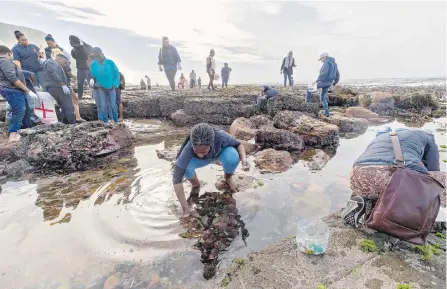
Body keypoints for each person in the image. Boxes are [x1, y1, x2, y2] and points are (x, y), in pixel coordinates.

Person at [343, 128, 446, 228]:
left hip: (358, 175)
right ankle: (419, 217)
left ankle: (364, 201)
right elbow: (433, 170)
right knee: (440, 179)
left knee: (378, 184)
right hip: (389, 179)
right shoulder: (428, 137)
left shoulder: (381, 136)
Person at [173, 123, 250, 213]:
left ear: (212, 143)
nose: (200, 154)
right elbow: (176, 180)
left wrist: (244, 159)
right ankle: (196, 185)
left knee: (232, 156)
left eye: (203, 151)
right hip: (197, 161)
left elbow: (238, 145)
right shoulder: (188, 148)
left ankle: (228, 177)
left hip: (218, 154)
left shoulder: (221, 136)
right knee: (184, 166)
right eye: (196, 151)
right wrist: (185, 208)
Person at [0, 45, 37, 142]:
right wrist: (28, 90)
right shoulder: (4, 61)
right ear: (9, 53)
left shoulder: (5, 62)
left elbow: (17, 72)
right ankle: (13, 134)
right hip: (11, 90)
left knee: (26, 110)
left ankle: (26, 130)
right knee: (19, 110)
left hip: (15, 90)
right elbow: (11, 77)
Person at [42, 54, 76, 124]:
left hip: (54, 87)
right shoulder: (51, 62)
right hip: (57, 87)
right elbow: (53, 73)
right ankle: (72, 124)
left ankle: (65, 123)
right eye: (65, 62)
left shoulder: (53, 64)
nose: (65, 65)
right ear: (59, 58)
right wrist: (62, 84)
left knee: (63, 107)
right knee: (69, 106)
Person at [89, 47, 120, 123]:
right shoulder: (93, 64)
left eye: (98, 56)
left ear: (101, 54)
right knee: (103, 106)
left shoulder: (110, 62)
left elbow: (117, 74)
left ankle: (116, 122)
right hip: (101, 88)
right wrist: (95, 83)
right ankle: (105, 122)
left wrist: (115, 84)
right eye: (95, 57)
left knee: (113, 106)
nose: (98, 59)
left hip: (111, 87)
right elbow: (92, 75)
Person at [305, 52, 340, 117]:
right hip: (329, 83)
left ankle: (306, 105)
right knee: (322, 97)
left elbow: (324, 73)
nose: (321, 61)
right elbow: (337, 75)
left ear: (324, 57)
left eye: (321, 59)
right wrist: (334, 83)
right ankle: (326, 112)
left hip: (323, 82)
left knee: (309, 89)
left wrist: (317, 81)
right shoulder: (335, 64)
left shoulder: (326, 62)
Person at [56, 54, 85, 123]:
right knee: (75, 100)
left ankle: (64, 119)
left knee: (63, 103)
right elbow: (70, 74)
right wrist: (75, 77)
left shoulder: (55, 65)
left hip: (58, 85)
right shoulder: (65, 63)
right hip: (67, 85)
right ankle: (77, 117)